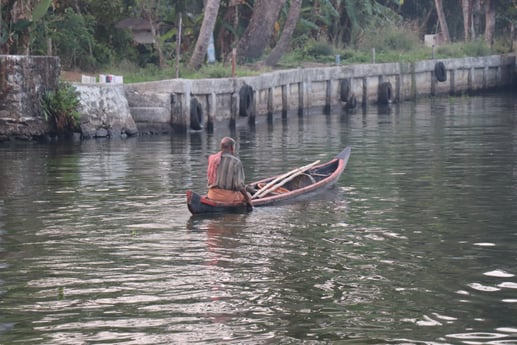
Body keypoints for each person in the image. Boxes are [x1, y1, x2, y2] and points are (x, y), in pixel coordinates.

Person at [207, 137, 253, 208]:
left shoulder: (213, 159)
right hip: (227, 198)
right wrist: (248, 199)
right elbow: (239, 186)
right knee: (249, 195)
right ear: (232, 148)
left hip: (212, 195)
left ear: (221, 147)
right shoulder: (236, 162)